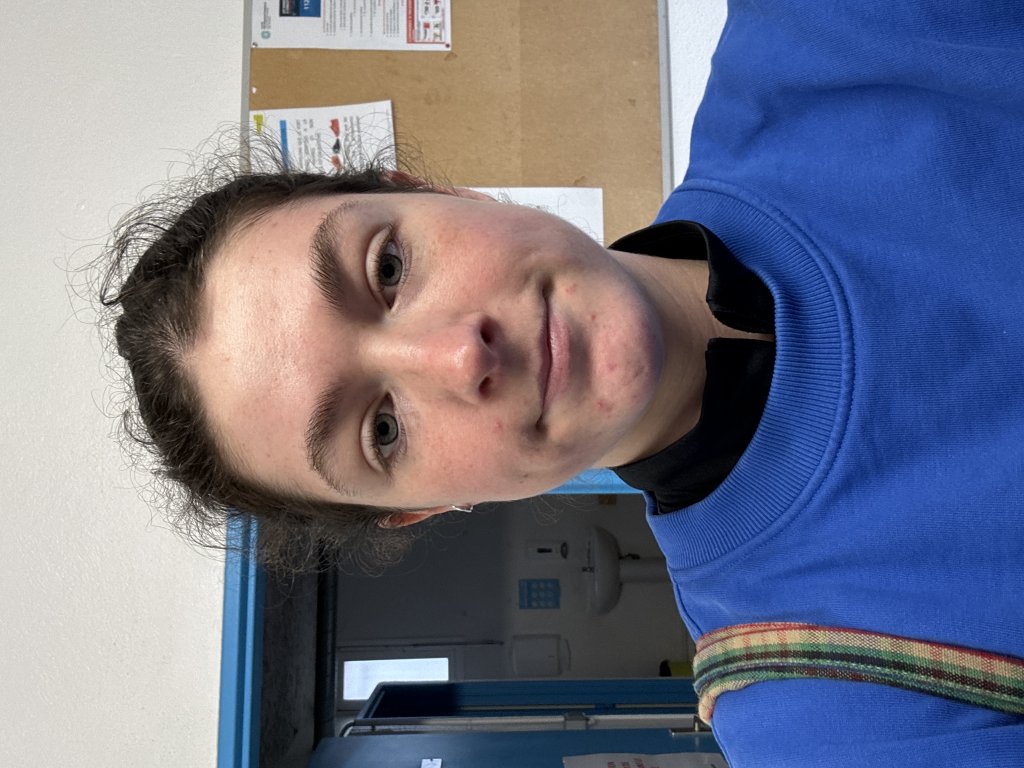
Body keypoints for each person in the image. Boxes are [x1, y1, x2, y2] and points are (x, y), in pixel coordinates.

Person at [102, 0, 1024, 764]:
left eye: (388, 269)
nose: (457, 357)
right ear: (419, 509)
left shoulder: (821, 32)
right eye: (382, 430)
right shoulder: (824, 721)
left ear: (433, 192)